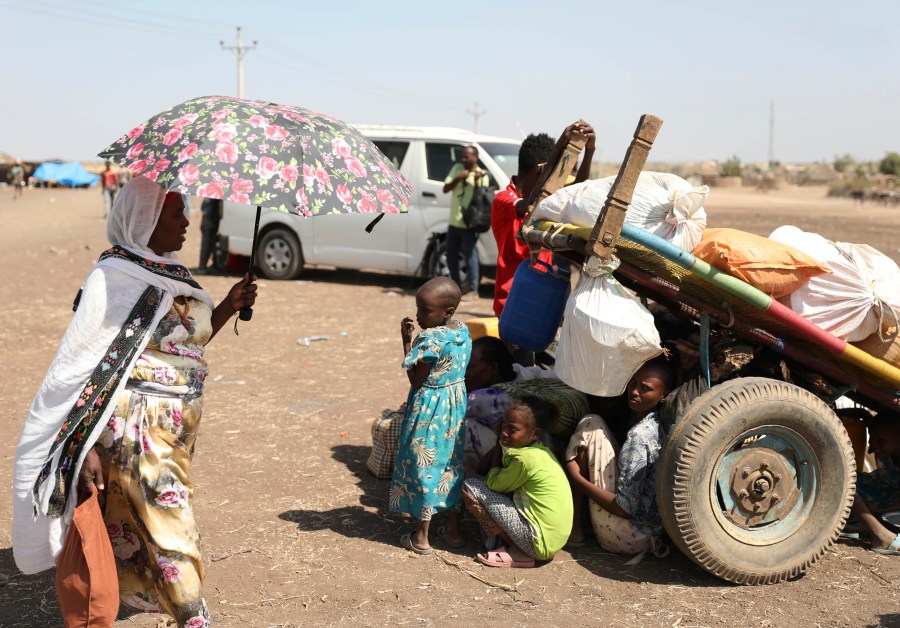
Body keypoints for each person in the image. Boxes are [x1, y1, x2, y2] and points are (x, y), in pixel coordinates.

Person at [12, 177, 258, 627]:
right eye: (175, 212)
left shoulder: (169, 271)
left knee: (143, 521)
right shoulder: (115, 277)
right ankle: (194, 617)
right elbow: (78, 367)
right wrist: (83, 448)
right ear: (143, 220)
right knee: (170, 527)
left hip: (171, 431)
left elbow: (187, 343)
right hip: (135, 430)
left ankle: (152, 597)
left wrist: (226, 305)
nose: (187, 220)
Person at [391, 276, 472, 553]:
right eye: (418, 307)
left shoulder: (428, 339)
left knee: (424, 465)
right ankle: (453, 530)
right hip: (455, 406)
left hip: (430, 408)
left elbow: (416, 381)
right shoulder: (462, 331)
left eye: (425, 310)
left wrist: (406, 342)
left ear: (447, 312)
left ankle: (421, 537)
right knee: (450, 463)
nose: (418, 315)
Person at [564, 354, 675, 555]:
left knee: (591, 423)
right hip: (649, 532)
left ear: (664, 395)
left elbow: (623, 509)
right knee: (594, 426)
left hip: (628, 536)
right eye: (633, 383)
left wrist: (576, 478)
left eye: (645, 388)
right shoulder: (650, 420)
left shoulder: (640, 436)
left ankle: (575, 526)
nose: (634, 392)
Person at [491, 121, 596, 317]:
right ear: (541, 171)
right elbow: (532, 203)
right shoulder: (503, 201)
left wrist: (589, 151)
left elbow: (576, 192)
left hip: (541, 300)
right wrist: (559, 147)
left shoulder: (547, 202)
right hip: (512, 301)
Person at [462, 395, 574, 568]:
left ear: (535, 434)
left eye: (512, 429)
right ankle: (508, 544)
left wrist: (500, 444)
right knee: (484, 485)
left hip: (537, 545)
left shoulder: (524, 460)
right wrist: (500, 443)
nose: (504, 432)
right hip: (549, 543)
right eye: (503, 424)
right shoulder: (539, 452)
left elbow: (492, 483)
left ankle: (519, 552)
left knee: (471, 486)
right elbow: (483, 470)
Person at [845, 412, 900, 555]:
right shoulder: (887, 448)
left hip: (889, 506)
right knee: (847, 478)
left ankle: (874, 531)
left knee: (846, 485)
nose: (873, 444)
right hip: (878, 493)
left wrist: (877, 511)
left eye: (880, 440)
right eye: (872, 438)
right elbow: (865, 415)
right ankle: (859, 524)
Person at [443, 145, 488, 301]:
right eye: (462, 156)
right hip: (454, 221)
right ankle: (456, 288)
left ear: (475, 157)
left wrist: (476, 181)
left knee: (470, 256)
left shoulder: (482, 174)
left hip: (469, 223)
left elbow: (481, 199)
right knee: (451, 256)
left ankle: (474, 290)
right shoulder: (457, 168)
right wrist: (459, 178)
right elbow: (446, 188)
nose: (463, 160)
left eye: (466, 157)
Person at [198, 197, 223, 273]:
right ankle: (202, 267)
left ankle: (209, 265)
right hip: (210, 220)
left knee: (209, 244)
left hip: (206, 219)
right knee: (207, 245)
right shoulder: (216, 195)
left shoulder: (209, 194)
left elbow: (202, 207)